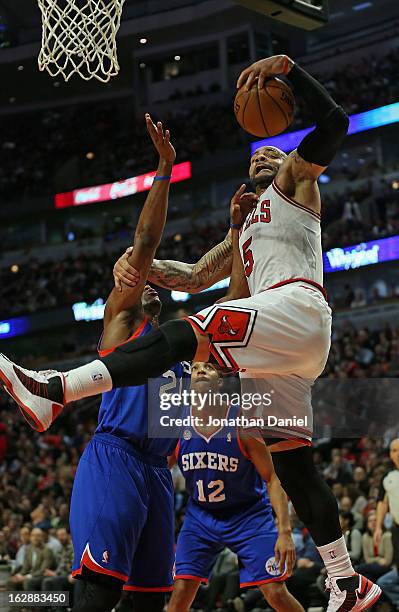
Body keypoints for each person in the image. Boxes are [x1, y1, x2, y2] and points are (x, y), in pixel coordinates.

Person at [0, 54, 381, 610]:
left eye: (272, 149)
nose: (263, 155)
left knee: (191, 332)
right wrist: (137, 266)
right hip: (281, 350)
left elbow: (336, 122)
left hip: (299, 308)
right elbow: (196, 276)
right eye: (258, 154)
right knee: (293, 460)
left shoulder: (298, 182)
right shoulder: (246, 224)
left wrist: (291, 73)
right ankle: (347, 581)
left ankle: (57, 390)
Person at [167, 361, 303, 612]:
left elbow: (272, 478)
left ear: (219, 382)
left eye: (207, 368)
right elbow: (160, 470)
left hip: (248, 515)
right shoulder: (177, 424)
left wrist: (284, 531)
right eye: (195, 368)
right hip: (200, 516)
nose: (200, 371)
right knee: (180, 594)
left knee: (275, 593)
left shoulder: (242, 422)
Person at [375, 439, 399, 609]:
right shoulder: (388, 477)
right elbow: (382, 503)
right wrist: (378, 527)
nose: (397, 453)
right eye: (394, 450)